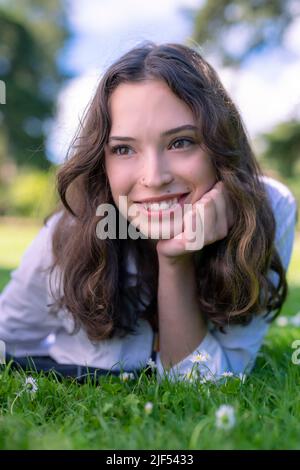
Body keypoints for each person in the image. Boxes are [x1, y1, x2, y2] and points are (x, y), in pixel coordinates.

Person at [0, 41, 298, 383]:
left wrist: (175, 261)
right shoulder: (69, 231)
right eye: (124, 149)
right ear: (103, 161)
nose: (154, 178)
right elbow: (7, 338)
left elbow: (208, 382)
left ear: (220, 146)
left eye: (181, 142)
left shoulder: (268, 209)